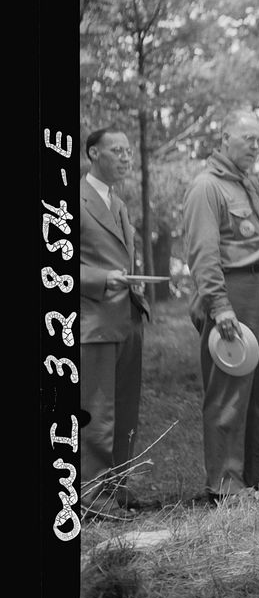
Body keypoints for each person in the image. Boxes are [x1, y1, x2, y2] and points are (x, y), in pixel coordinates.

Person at [182, 110, 259, 502]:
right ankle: (226, 486)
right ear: (224, 137)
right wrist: (219, 307)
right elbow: (202, 253)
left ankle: (258, 476)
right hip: (231, 293)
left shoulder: (248, 182)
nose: (255, 146)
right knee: (229, 392)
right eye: (248, 138)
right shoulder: (207, 187)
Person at [79, 128, 150, 515]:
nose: (125, 157)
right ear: (93, 153)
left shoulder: (117, 202)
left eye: (128, 151)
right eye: (116, 151)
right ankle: (90, 497)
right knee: (97, 412)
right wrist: (100, 278)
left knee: (124, 410)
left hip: (127, 317)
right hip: (93, 320)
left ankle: (116, 487)